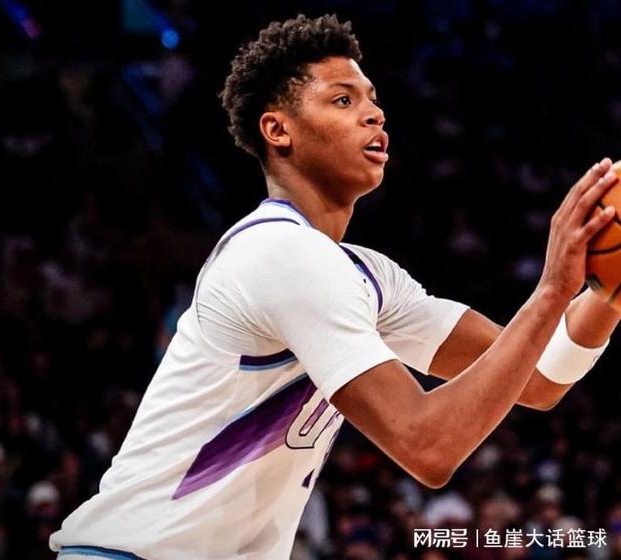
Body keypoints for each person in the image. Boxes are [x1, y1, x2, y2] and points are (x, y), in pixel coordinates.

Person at [50, 14, 620, 560]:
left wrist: (606, 293)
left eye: (372, 99)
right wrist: (552, 288)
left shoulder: (364, 275)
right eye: (343, 100)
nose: (374, 114)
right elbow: (428, 446)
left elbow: (538, 378)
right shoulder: (280, 253)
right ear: (278, 130)